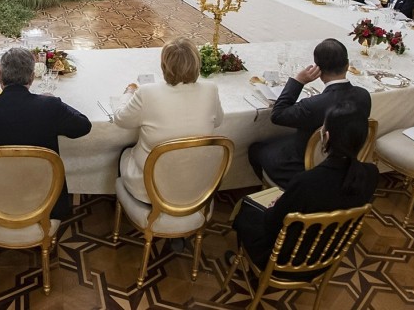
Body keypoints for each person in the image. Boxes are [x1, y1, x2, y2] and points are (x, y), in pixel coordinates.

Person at [233, 103, 378, 269]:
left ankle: (244, 265)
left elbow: (272, 225)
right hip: (326, 257)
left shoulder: (307, 180)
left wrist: (275, 206)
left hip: (285, 260)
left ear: (326, 136)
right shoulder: (371, 174)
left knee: (246, 209)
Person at [0, 48, 91, 219]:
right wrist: (52, 101)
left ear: (0, 77)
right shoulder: (50, 107)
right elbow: (83, 126)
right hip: (45, 199)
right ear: (31, 77)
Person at [247, 38, 372, 188]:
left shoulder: (313, 105)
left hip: (304, 165)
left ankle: (279, 195)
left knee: (256, 148)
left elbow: (277, 115)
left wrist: (298, 81)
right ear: (347, 65)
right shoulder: (364, 95)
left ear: (318, 70)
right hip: (344, 160)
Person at [113, 38, 223, 204]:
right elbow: (218, 122)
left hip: (151, 189)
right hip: (197, 186)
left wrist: (128, 93)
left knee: (124, 151)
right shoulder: (210, 89)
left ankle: (123, 207)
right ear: (197, 64)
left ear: (164, 66)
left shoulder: (147, 93)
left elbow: (121, 119)